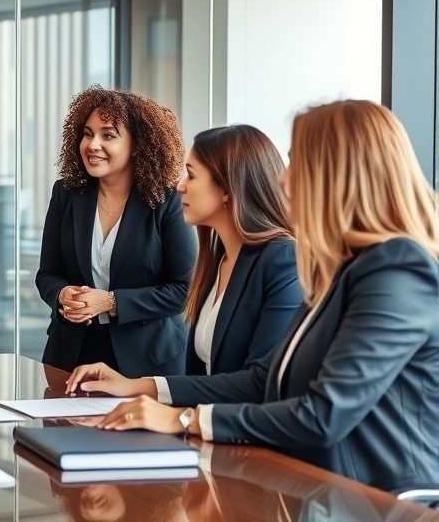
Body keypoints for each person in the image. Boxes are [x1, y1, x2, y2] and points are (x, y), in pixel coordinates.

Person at [65, 100, 439, 491]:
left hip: (383, 503)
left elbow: (323, 415)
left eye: (297, 162)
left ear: (336, 174)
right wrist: (146, 388)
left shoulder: (396, 267)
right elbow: (269, 385)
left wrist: (184, 420)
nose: (283, 179)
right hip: (320, 492)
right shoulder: (340, 268)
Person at [35, 85, 196, 376]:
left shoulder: (167, 201)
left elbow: (185, 289)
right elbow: (47, 274)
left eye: (108, 135)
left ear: (137, 145)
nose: (92, 144)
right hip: (71, 355)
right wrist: (63, 295)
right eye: (87, 134)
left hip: (148, 362)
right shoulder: (67, 194)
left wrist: (111, 302)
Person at [175, 125, 302, 375]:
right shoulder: (219, 261)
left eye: (191, 174)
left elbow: (262, 380)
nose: (180, 186)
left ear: (227, 188)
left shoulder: (284, 260)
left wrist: (147, 386)